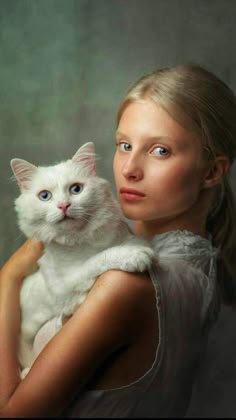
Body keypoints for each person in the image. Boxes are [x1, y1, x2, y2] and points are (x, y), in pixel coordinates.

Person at [0, 63, 236, 418]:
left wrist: (9, 277)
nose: (129, 169)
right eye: (124, 145)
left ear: (212, 171)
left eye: (160, 151)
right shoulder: (202, 264)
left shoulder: (125, 284)